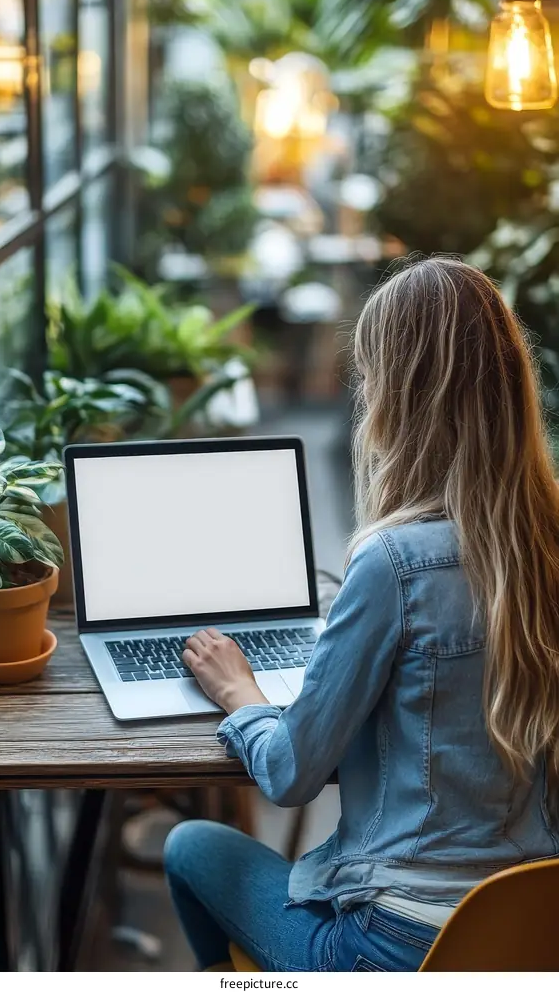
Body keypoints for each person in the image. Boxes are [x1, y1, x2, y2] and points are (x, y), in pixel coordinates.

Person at [163, 257, 559, 972]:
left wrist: (239, 691)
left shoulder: (395, 565)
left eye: (371, 377)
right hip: (532, 933)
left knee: (192, 845)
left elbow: (288, 775)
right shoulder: (547, 544)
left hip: (396, 949)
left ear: (401, 401)